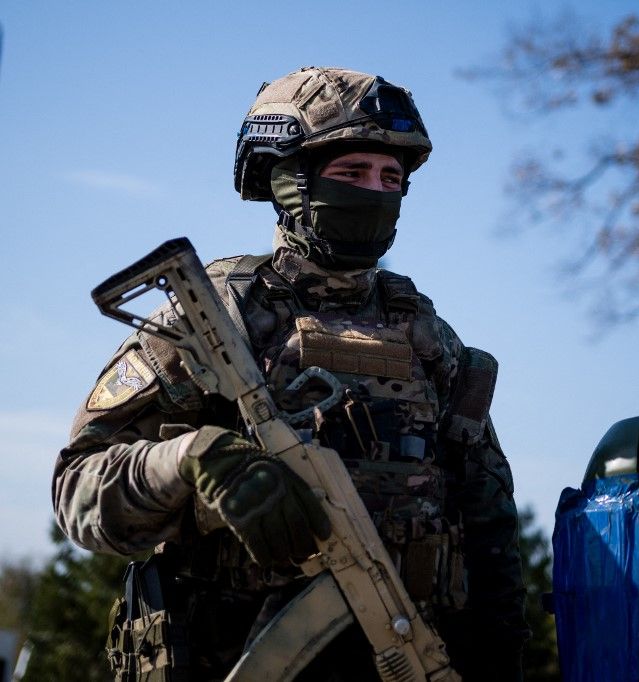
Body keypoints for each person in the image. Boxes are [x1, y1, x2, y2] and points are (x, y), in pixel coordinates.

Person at [52, 66, 528, 680]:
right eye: (352, 173)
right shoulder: (214, 317)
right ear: (288, 181)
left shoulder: (429, 338)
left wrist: (500, 659)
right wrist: (194, 461)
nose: (375, 193)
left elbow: (490, 526)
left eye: (390, 178)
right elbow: (76, 489)